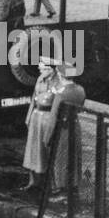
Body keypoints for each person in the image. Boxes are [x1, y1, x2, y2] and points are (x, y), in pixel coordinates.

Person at [22, 58, 68, 191]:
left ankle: (54, 184)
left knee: (49, 150)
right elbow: (33, 99)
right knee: (33, 150)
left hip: (48, 118)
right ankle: (33, 181)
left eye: (42, 68)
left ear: (51, 69)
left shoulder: (58, 83)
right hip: (37, 117)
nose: (40, 71)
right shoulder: (40, 79)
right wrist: (28, 117)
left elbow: (57, 104)